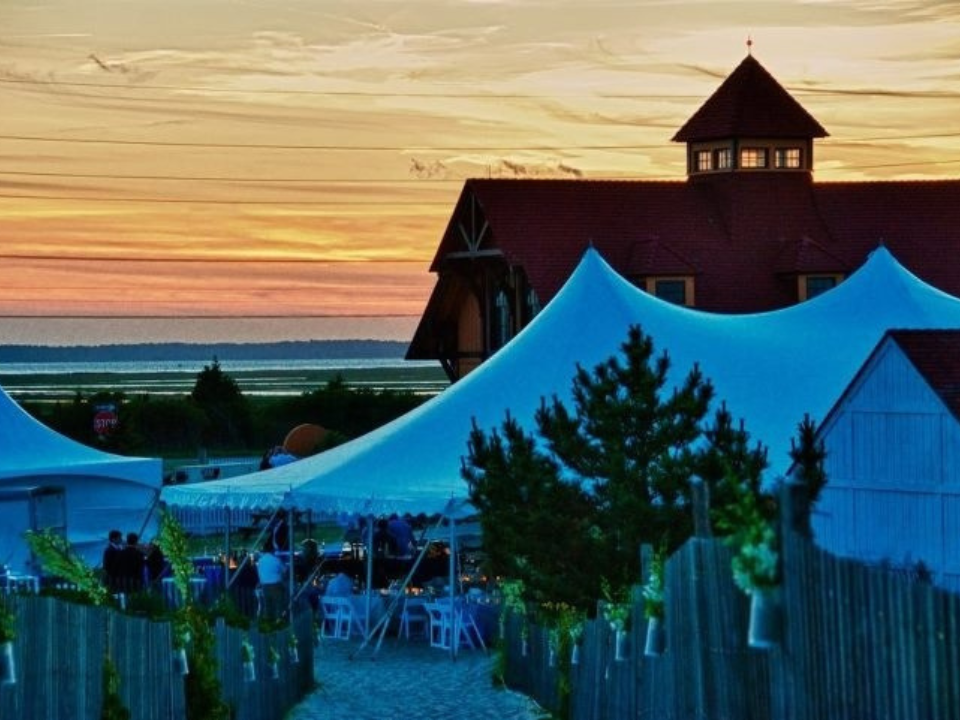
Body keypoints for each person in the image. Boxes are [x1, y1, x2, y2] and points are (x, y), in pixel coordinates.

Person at [256, 540, 286, 620]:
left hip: (265, 586)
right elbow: (284, 570)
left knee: (268, 607)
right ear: (272, 550)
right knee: (278, 607)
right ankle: (278, 623)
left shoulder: (260, 560)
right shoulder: (276, 559)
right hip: (276, 586)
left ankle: (268, 623)